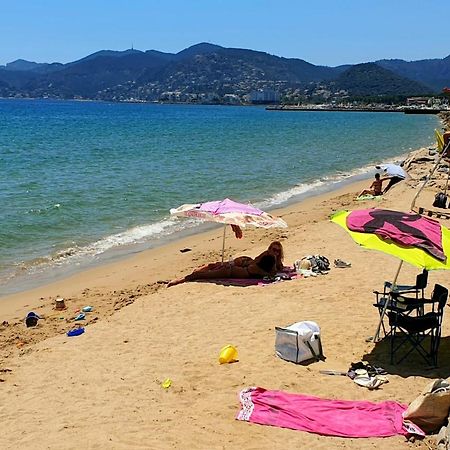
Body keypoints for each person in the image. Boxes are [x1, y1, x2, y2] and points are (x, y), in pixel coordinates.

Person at [167, 241, 284, 287]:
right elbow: (254, 263)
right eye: (273, 249)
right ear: (269, 248)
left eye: (277, 250)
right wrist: (267, 255)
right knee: (214, 267)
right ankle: (189, 274)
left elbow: (273, 273)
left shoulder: (275, 263)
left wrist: (274, 260)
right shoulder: (265, 255)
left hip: (236, 270)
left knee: (206, 274)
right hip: (242, 264)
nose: (275, 252)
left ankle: (180, 280)